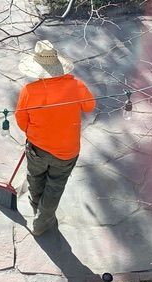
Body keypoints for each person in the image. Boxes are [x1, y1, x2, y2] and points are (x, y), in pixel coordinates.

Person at [15, 40, 96, 236]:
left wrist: (34, 134)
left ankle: (36, 205)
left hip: (37, 148)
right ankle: (42, 221)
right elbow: (90, 106)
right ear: (58, 65)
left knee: (35, 177)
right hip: (67, 151)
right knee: (55, 186)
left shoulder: (29, 91)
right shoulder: (76, 86)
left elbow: (20, 119)